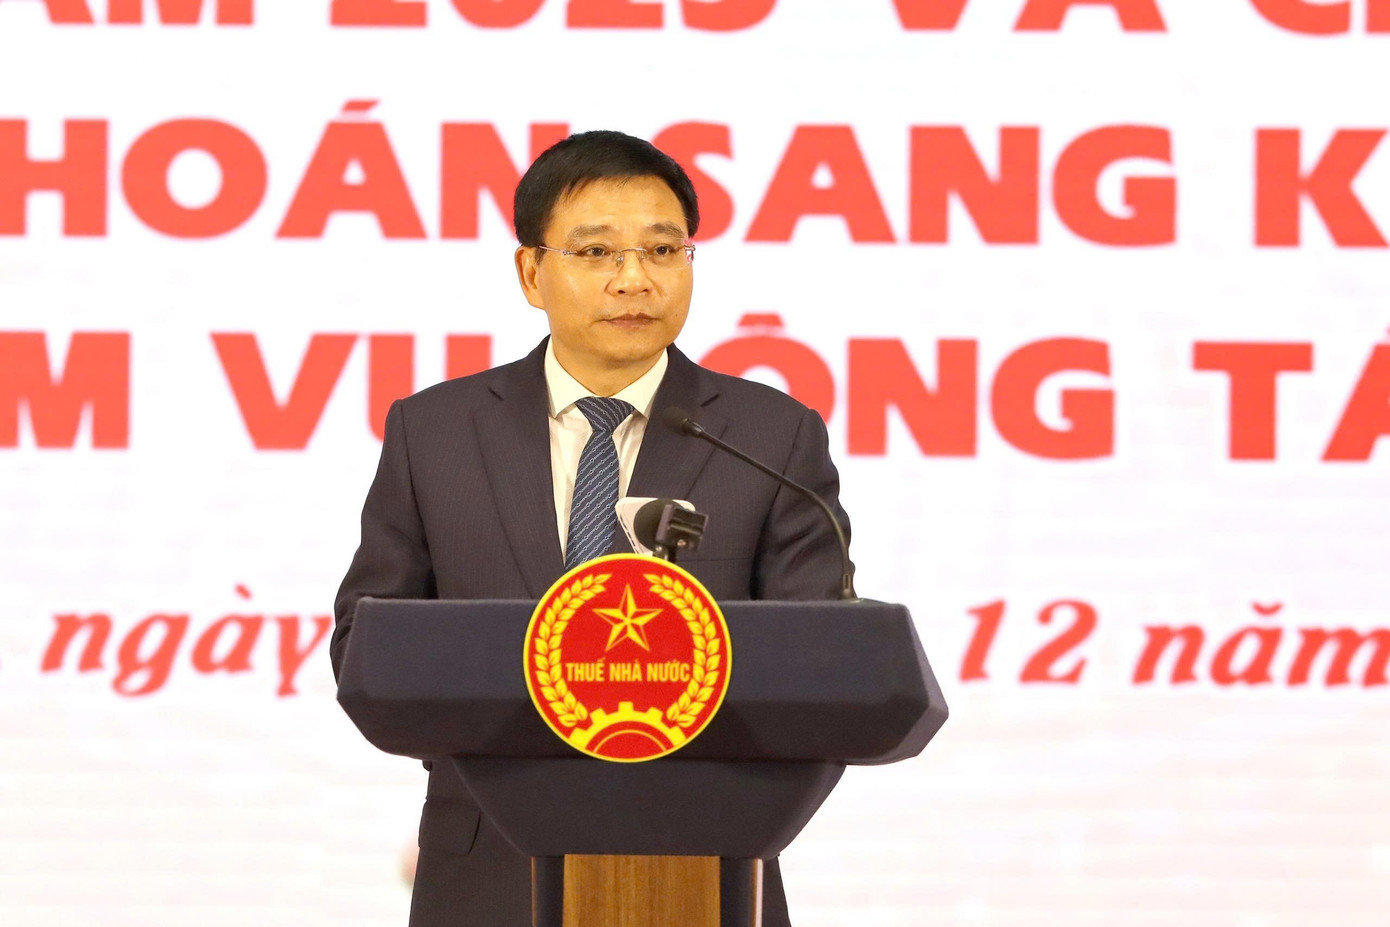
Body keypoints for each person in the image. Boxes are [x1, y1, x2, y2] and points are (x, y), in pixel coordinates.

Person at [332, 129, 852, 927]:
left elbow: (820, 661)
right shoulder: (435, 432)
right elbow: (365, 647)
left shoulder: (768, 435)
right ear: (531, 273)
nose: (634, 279)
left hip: (704, 865)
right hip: (486, 867)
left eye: (663, 250)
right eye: (597, 252)